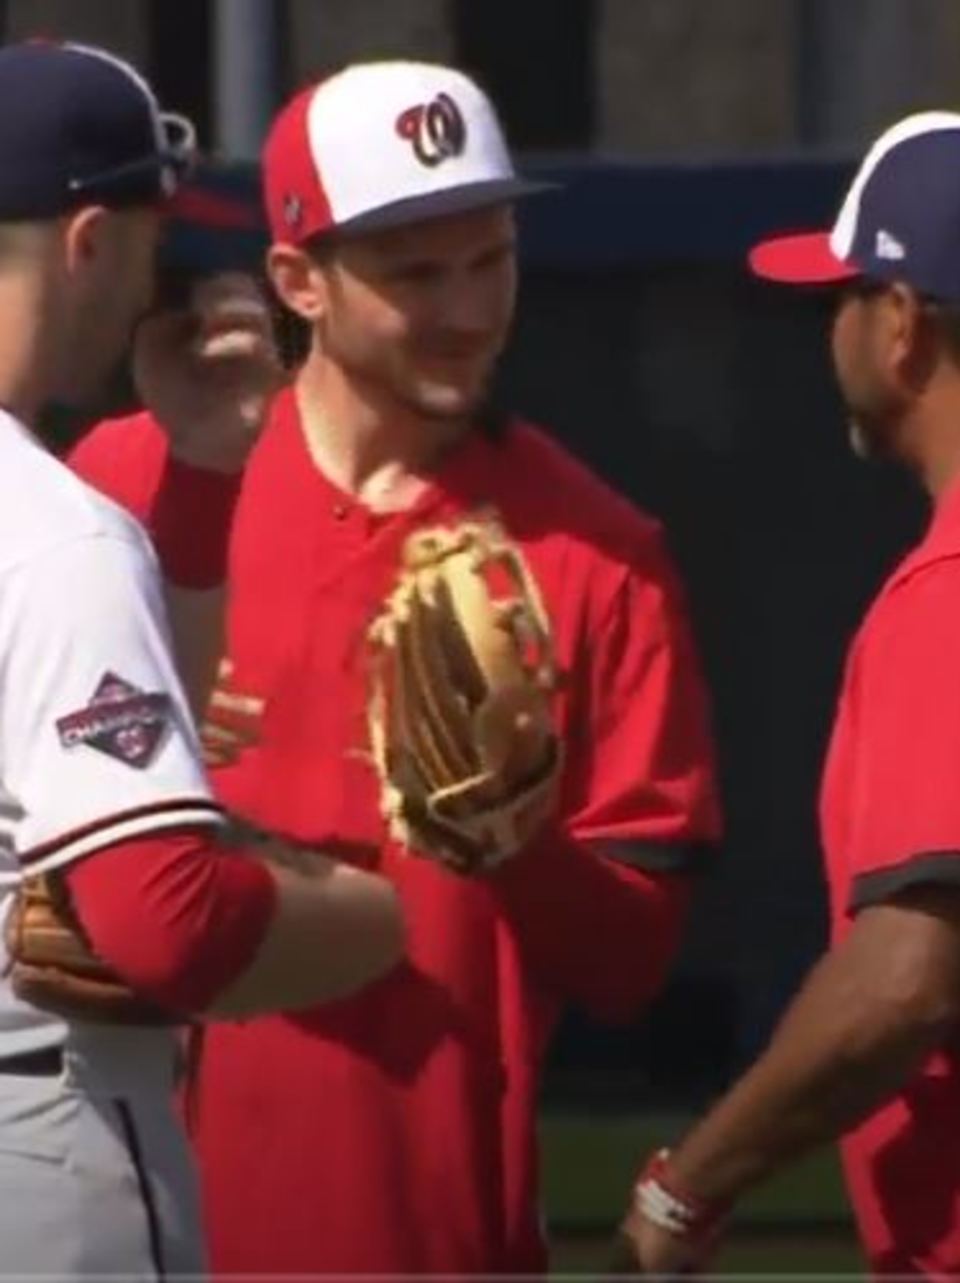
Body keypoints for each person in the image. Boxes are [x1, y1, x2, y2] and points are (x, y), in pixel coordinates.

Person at [71, 59, 721, 1276]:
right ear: (296, 281)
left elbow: (631, 965)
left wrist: (509, 832)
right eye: (417, 272)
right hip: (136, 1232)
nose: (469, 308)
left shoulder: (599, 554)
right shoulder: (130, 491)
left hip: (441, 1238)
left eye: (492, 258)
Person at [0, 40, 402, 1280]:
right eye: (151, 242)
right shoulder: (55, 530)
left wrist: (199, 467)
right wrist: (376, 917)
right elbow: (160, 914)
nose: (153, 286)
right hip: (44, 1149)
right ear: (87, 243)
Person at [617, 111, 960, 1281]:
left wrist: (686, 1185)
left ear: (904, 325)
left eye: (841, 301)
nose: (834, 333)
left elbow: (906, 974)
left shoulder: (947, 597)